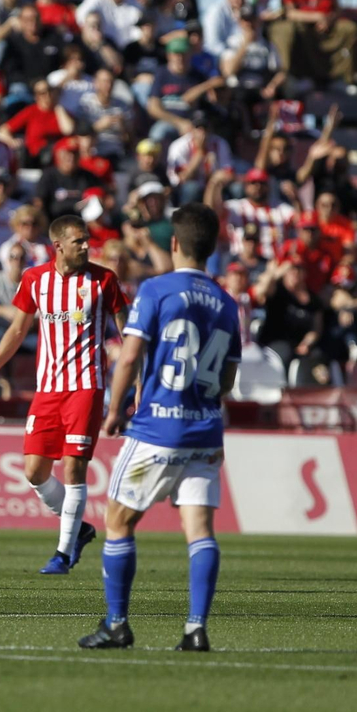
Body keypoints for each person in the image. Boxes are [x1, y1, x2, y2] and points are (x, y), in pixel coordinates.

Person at [82, 202, 238, 652]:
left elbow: (129, 355)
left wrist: (113, 412)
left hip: (158, 429)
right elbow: (227, 380)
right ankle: (195, 628)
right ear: (211, 248)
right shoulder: (227, 304)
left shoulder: (156, 289)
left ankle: (116, 624)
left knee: (118, 520)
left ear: (173, 244)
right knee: (200, 530)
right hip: (206, 431)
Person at [0, 214, 126, 574]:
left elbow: (127, 331)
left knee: (74, 467)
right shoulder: (35, 280)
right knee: (34, 470)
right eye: (79, 242)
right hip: (48, 389)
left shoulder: (104, 280)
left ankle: (62, 552)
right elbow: (16, 330)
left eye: (87, 240)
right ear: (58, 246)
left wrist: (133, 377)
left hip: (86, 387)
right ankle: (81, 529)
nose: (87, 246)